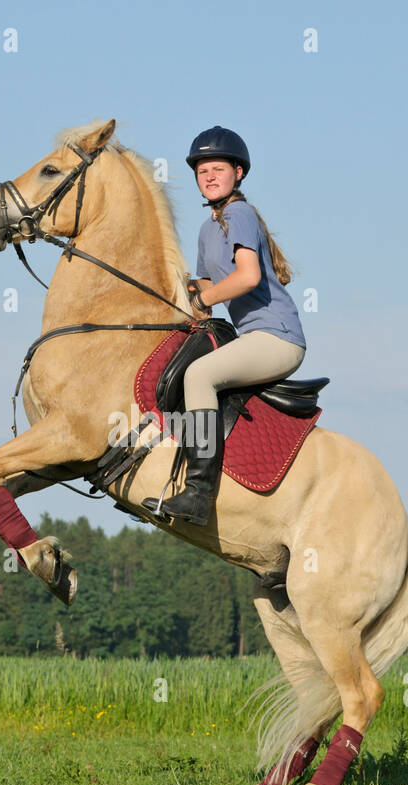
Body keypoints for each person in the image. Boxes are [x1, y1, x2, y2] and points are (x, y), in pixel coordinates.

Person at [143, 126, 307, 526]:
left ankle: (199, 495)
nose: (210, 176)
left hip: (278, 337)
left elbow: (247, 277)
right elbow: (203, 289)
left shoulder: (240, 213)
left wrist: (203, 298)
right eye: (203, 171)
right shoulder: (206, 230)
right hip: (253, 337)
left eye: (218, 169)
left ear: (239, 173)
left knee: (199, 375)